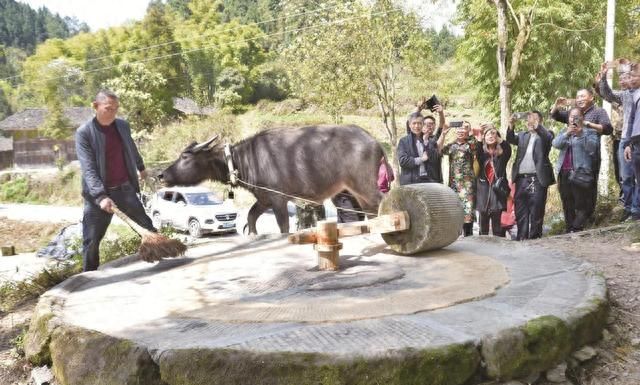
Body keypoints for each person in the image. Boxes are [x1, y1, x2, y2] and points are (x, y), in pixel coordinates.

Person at [76, 89, 156, 271]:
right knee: (91, 240)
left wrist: (141, 168)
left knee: (147, 227)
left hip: (124, 189)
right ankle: (89, 276)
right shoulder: (84, 133)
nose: (113, 112)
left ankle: (163, 258)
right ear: (95, 107)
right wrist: (100, 196)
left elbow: (131, 148)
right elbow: (88, 168)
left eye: (116, 109)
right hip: (97, 198)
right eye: (108, 108)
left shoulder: (122, 126)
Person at [550, 88, 612, 220]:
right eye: (577, 97)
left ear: (591, 97)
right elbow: (555, 116)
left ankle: (586, 218)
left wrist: (586, 125)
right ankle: (574, 222)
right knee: (569, 196)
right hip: (570, 163)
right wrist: (557, 105)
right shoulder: (573, 114)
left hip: (590, 158)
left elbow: (607, 129)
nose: (579, 99)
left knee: (588, 189)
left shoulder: (598, 111)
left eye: (583, 96)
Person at [598, 63, 640, 221]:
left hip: (634, 139)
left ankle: (636, 210)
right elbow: (607, 94)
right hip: (626, 139)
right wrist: (603, 77)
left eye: (629, 77)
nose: (625, 80)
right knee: (626, 176)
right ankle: (629, 209)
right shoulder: (626, 95)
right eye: (622, 78)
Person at [506, 111, 555, 240]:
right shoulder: (523, 135)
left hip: (537, 179)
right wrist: (511, 125)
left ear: (540, 121)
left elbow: (548, 138)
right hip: (521, 178)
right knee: (520, 210)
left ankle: (534, 238)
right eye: (528, 118)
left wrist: (537, 126)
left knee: (536, 210)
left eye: (533, 118)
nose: (530, 121)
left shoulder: (546, 135)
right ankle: (521, 238)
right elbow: (510, 139)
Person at [552, 108, 600, 232]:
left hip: (581, 173)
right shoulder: (564, 130)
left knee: (582, 204)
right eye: (571, 117)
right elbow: (555, 144)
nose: (573, 119)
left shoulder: (590, 132)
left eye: (577, 116)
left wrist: (581, 134)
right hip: (564, 172)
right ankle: (570, 230)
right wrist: (567, 133)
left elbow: (592, 149)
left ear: (582, 118)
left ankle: (576, 228)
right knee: (567, 204)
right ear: (568, 119)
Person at [438, 121, 478, 236]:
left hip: (468, 183)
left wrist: (470, 130)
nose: (460, 131)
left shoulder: (470, 144)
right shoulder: (451, 146)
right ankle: (456, 235)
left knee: (468, 209)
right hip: (454, 183)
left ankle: (468, 234)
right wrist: (444, 134)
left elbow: (476, 145)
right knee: (456, 208)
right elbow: (439, 150)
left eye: (463, 130)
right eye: (458, 130)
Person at [476, 124, 512, 236]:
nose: (491, 136)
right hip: (483, 191)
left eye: (493, 134)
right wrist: (479, 139)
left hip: (498, 190)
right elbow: (477, 154)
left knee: (497, 227)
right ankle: (483, 250)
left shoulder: (502, 154)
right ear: (484, 138)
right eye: (488, 134)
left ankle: (498, 250)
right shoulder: (482, 153)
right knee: (483, 226)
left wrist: (495, 132)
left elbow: (507, 148)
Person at [397, 113, 441, 185]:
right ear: (409, 125)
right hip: (410, 182)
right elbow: (403, 161)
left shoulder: (430, 140)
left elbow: (434, 159)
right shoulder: (403, 141)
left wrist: (426, 142)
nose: (416, 126)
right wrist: (421, 159)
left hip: (428, 181)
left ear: (423, 124)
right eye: (414, 123)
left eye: (419, 123)